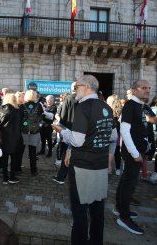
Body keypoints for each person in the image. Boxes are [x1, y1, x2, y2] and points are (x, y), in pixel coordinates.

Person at [52, 75, 116, 245]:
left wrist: (61, 130)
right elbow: (112, 136)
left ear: (87, 87)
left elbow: (78, 140)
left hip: (83, 166)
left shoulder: (83, 107)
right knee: (97, 209)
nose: (75, 91)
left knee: (80, 212)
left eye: (77, 87)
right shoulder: (107, 107)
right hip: (100, 165)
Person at [115, 80, 153, 235]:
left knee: (126, 180)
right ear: (134, 90)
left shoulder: (139, 105)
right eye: (144, 88)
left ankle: (121, 208)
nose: (147, 90)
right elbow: (124, 129)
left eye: (149, 88)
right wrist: (135, 153)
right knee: (129, 183)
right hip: (133, 153)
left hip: (137, 151)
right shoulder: (131, 105)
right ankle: (124, 217)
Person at [52, 83, 77, 184]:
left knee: (66, 154)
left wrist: (61, 130)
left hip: (69, 130)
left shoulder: (69, 98)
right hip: (82, 131)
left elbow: (63, 117)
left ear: (72, 89)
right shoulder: (85, 98)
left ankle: (61, 177)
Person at [0, 93, 21, 184]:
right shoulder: (17, 110)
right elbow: (20, 125)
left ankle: (5, 178)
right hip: (15, 138)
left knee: (4, 159)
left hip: (3, 137)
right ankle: (12, 177)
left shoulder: (1, 110)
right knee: (14, 159)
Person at [20, 90, 44, 176]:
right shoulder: (39, 106)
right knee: (32, 152)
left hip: (24, 130)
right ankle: (33, 171)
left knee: (21, 150)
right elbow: (41, 118)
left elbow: (20, 119)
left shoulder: (22, 106)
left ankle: (18, 168)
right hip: (34, 131)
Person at [106, 94, 123, 175]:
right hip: (119, 135)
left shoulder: (107, 110)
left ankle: (108, 167)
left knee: (108, 151)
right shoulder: (121, 111)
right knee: (117, 153)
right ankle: (118, 169)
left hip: (110, 134)